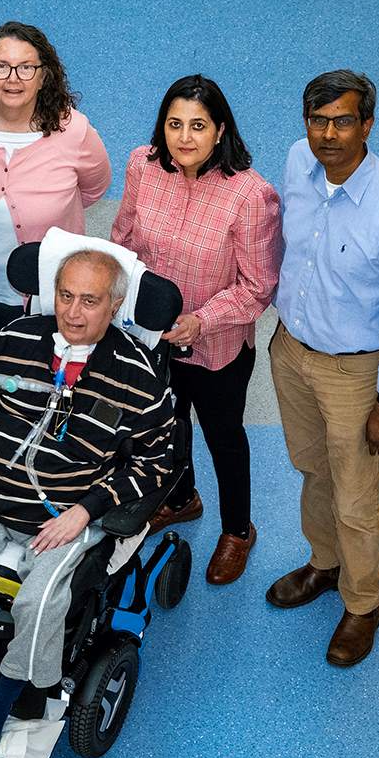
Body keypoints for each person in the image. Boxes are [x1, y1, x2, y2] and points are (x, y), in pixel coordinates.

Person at [0, 249, 176, 758]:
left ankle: (3, 703)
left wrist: (89, 511)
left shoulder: (138, 378)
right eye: (65, 296)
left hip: (63, 516)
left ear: (115, 305)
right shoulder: (15, 338)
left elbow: (157, 462)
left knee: (40, 601)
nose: (73, 312)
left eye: (89, 301)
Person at [269, 70, 379, 667]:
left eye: (343, 121)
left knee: (359, 497)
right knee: (313, 471)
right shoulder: (296, 162)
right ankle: (324, 564)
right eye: (318, 121)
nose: (328, 135)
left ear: (368, 125)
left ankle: (363, 603)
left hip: (355, 376)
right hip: (291, 353)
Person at [110, 74, 280, 585]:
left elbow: (258, 286)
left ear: (220, 129)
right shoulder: (143, 164)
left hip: (218, 348)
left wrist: (201, 322)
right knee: (165, 426)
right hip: (150, 337)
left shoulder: (251, 195)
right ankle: (182, 499)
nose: (184, 138)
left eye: (198, 126)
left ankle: (237, 531)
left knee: (223, 438)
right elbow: (124, 239)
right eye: (174, 124)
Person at [0, 21, 110, 349]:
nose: (13, 78)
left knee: (31, 395)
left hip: (44, 304)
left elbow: (93, 188)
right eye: (1, 66)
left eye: (26, 67)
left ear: (45, 76)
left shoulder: (76, 131)